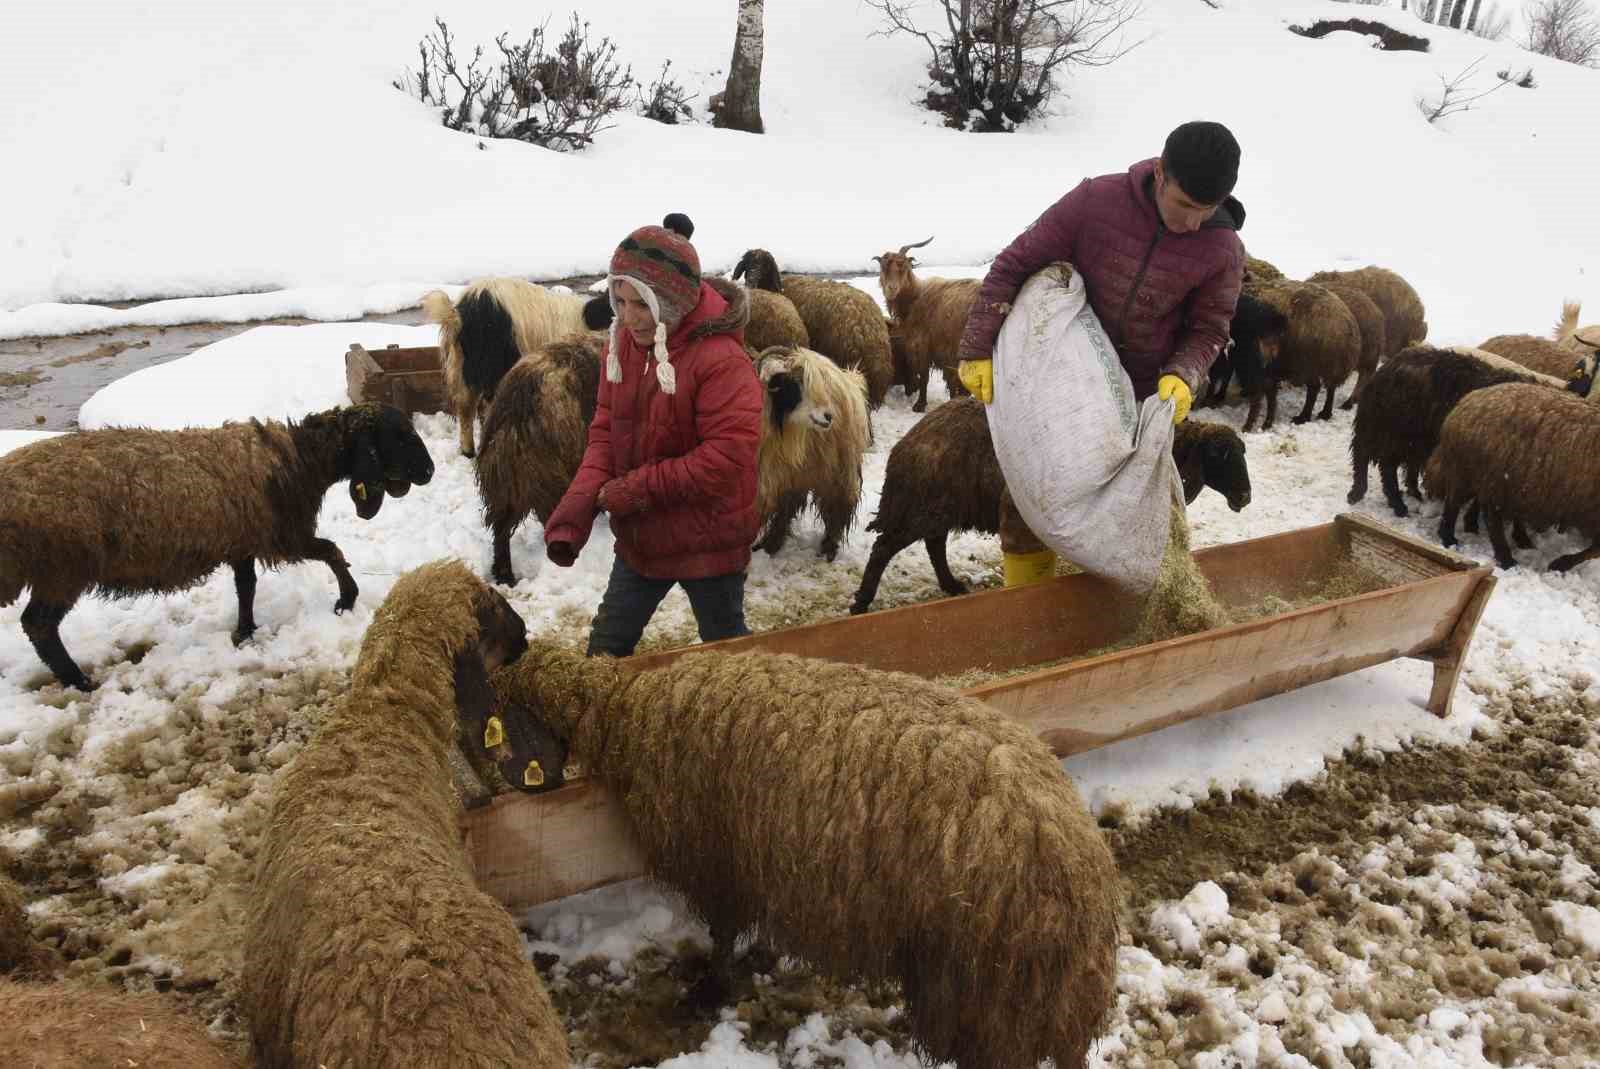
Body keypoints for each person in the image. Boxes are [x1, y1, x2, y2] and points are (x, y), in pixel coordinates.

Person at [955, 120, 1247, 587]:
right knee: (1034, 493)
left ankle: (1125, 604)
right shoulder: (1096, 202)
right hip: (1062, 379)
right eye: (1185, 205)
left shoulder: (1222, 248)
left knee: (1139, 507)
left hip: (1138, 392)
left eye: (1206, 210)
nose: (1192, 223)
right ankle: (1027, 607)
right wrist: (976, 347)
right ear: (1159, 173)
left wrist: (1183, 373)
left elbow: (1210, 328)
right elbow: (1015, 263)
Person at [543, 223, 763, 656]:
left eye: (642, 304)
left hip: (709, 541)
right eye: (620, 302)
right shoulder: (621, 346)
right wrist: (573, 513)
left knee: (728, 653)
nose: (628, 317)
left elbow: (726, 456)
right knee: (605, 649)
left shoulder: (722, 360)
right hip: (644, 540)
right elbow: (606, 431)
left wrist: (635, 490)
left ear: (673, 301)